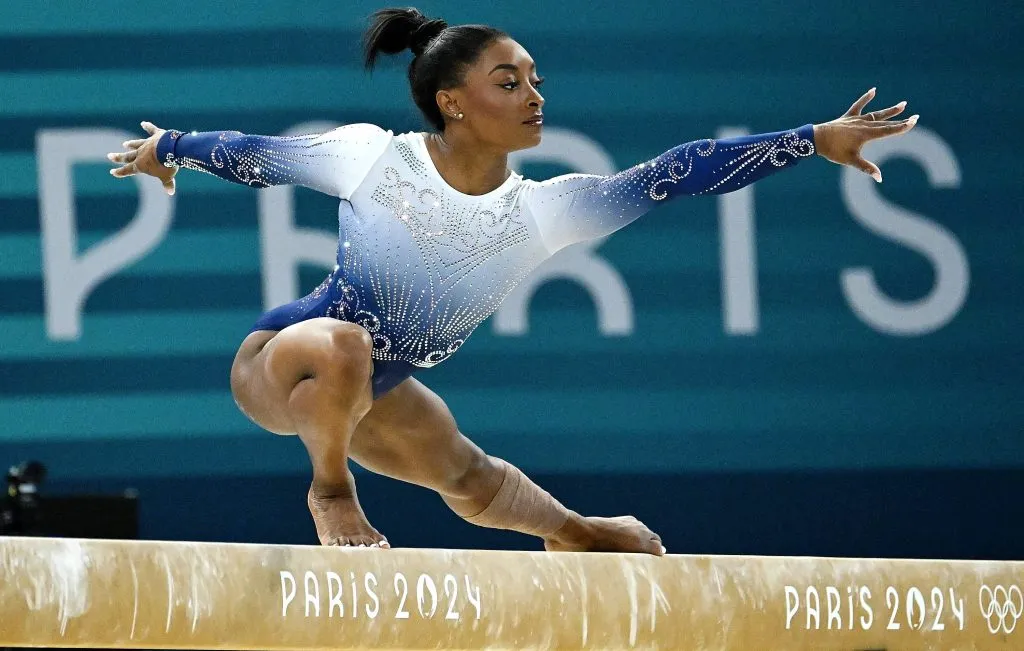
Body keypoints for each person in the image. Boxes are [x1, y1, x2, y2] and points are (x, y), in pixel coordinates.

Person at [106, 7, 918, 554]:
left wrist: (811, 138)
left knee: (466, 472)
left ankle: (574, 533)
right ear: (452, 102)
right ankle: (331, 491)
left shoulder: (545, 212)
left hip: (375, 390)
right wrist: (168, 145)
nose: (534, 95)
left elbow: (678, 173)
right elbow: (256, 155)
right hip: (286, 360)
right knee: (347, 340)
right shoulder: (374, 157)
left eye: (535, 78)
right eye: (509, 82)